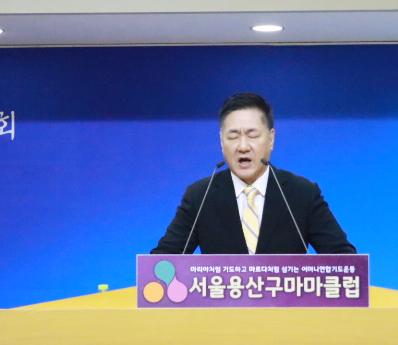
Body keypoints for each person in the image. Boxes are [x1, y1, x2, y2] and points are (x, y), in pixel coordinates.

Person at [151, 92, 356, 255]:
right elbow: (162, 263)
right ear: (222, 141)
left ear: (271, 139)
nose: (243, 146)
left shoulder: (302, 193)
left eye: (252, 135)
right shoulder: (200, 195)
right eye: (233, 136)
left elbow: (345, 261)